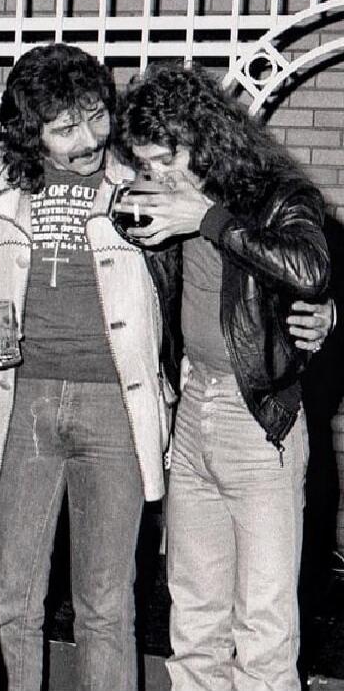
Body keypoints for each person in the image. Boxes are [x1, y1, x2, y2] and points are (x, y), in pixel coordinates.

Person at [0, 43, 331, 691]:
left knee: (171, 613)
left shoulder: (200, 183)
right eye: (65, 127)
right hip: (92, 401)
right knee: (157, 619)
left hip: (190, 408)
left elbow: (293, 263)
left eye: (96, 117)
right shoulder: (8, 185)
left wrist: (323, 311)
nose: (91, 140)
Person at [117, 63, 331, 691]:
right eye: (145, 164)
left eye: (166, 160)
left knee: (263, 631)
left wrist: (207, 217)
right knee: (193, 622)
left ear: (205, 141)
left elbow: (309, 269)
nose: (156, 176)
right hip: (193, 411)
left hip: (260, 420)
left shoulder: (277, 193)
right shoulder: (161, 196)